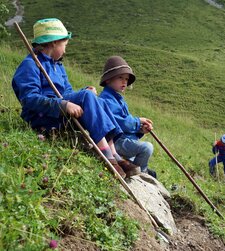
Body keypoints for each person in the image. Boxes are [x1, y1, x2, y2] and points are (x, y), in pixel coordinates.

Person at [11, 18, 139, 178]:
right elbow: (29, 99)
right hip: (43, 117)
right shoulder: (30, 65)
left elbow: (68, 92)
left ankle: (115, 154)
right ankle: (106, 155)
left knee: (97, 99)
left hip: (60, 114)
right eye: (64, 45)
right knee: (86, 96)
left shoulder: (58, 66)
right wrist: (63, 105)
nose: (65, 50)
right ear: (53, 43)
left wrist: (84, 92)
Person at [99, 56, 157, 178]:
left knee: (139, 155)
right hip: (116, 141)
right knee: (147, 147)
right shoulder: (106, 99)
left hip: (124, 140)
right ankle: (141, 173)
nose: (124, 81)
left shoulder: (118, 98)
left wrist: (140, 130)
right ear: (108, 80)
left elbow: (126, 122)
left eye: (126, 79)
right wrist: (138, 121)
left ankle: (135, 168)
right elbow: (121, 123)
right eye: (120, 77)